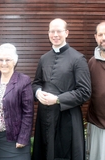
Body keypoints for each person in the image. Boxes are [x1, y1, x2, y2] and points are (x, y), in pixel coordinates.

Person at [31, 18, 91, 160]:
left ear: (67, 33)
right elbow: (36, 83)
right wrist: (38, 92)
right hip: (45, 117)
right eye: (52, 31)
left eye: (59, 31)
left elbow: (85, 91)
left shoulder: (78, 59)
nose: (55, 35)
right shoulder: (44, 58)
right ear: (48, 33)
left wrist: (58, 99)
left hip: (67, 118)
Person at [0, 43, 34, 160]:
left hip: (16, 136)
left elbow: (28, 112)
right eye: (1, 60)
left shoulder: (23, 81)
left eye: (8, 60)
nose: (4, 63)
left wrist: (23, 137)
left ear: (15, 61)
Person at [86, 21, 105, 160]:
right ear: (96, 37)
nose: (103, 37)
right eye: (100, 34)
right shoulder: (91, 63)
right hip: (97, 123)